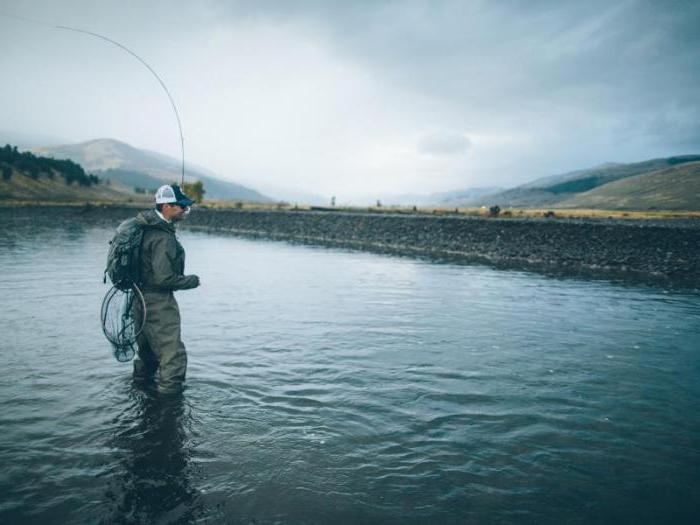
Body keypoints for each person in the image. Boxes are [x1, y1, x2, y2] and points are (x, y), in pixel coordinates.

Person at [132, 184, 200, 394]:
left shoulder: (143, 227)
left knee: (147, 353)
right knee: (173, 356)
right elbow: (163, 279)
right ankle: (169, 411)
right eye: (181, 206)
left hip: (138, 299)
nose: (185, 211)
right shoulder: (163, 237)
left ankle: (140, 397)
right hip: (158, 302)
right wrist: (192, 280)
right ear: (167, 207)